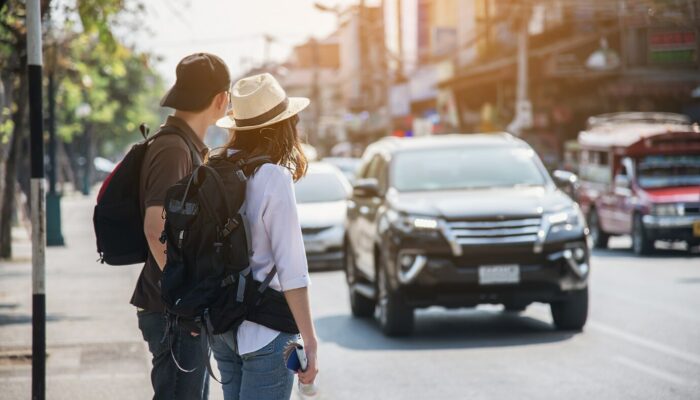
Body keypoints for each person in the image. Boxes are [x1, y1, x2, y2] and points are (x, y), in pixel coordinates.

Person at [210, 73, 319, 400]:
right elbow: (292, 269)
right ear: (281, 127)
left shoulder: (215, 167)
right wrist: (310, 341)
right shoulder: (273, 176)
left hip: (223, 325)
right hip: (267, 331)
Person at [131, 53, 231, 400]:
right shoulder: (174, 148)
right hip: (173, 313)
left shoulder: (184, 145)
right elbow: (154, 224)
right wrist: (185, 299)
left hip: (178, 311)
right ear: (221, 100)